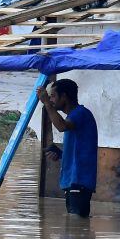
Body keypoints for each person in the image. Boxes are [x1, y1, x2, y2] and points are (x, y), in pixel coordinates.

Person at [37, 78, 99, 218]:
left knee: (75, 227)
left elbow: (62, 126)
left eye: (53, 96)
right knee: (74, 228)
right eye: (50, 97)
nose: (51, 99)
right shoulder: (75, 115)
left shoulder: (80, 113)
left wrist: (46, 102)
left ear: (64, 96)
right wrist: (60, 154)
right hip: (74, 182)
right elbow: (79, 150)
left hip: (79, 181)